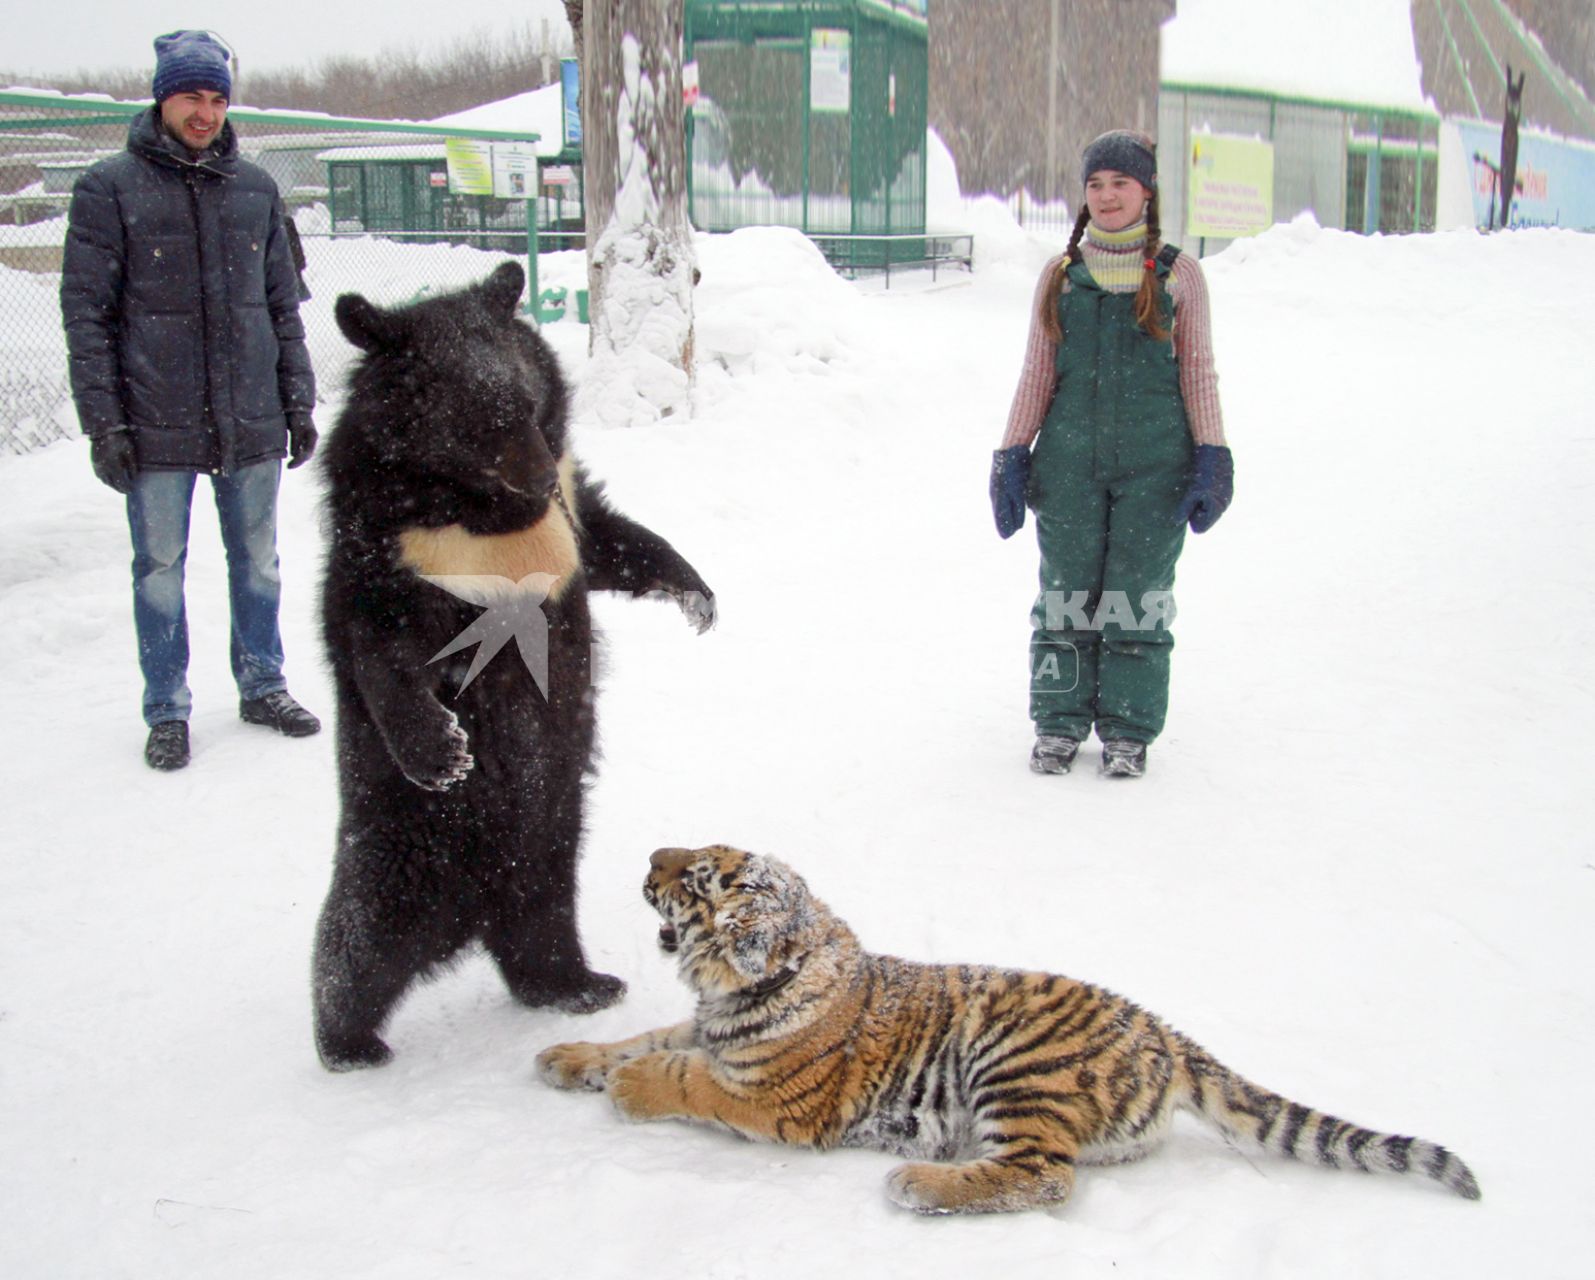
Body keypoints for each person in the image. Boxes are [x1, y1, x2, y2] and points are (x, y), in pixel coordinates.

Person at [60, 30, 322, 772]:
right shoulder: (107, 188)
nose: (205, 113)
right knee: (159, 567)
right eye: (190, 97)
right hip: (154, 420)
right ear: (161, 97)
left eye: (216, 98)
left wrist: (296, 402)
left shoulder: (256, 190)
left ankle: (263, 684)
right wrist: (104, 423)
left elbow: (282, 308)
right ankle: (167, 707)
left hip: (250, 416)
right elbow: (87, 318)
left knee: (260, 563)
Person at [989, 130, 1233, 779]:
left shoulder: (1179, 275)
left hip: (1156, 464)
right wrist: (1012, 453)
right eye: (1095, 184)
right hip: (1066, 464)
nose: (1105, 196)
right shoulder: (1061, 276)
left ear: (1145, 193)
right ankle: (1059, 723)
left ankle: (1127, 728)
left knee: (1137, 596)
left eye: (1119, 184)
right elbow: (1037, 373)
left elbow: (1198, 371)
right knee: (1064, 597)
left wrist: (1212, 453)